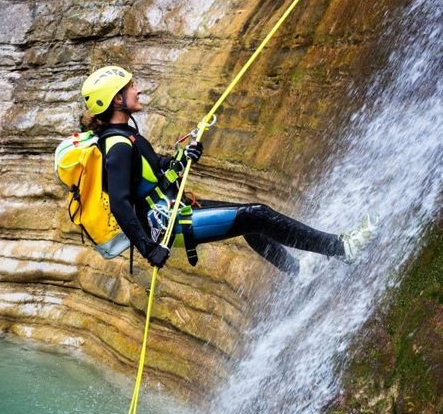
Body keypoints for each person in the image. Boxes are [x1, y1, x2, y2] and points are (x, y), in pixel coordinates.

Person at [80, 65, 374, 273]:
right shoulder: (117, 145)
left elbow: (153, 170)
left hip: (173, 209)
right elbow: (120, 202)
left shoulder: (123, 136)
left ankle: (297, 273)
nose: (138, 89)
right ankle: (341, 248)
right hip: (166, 224)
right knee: (256, 215)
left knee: (247, 220)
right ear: (117, 100)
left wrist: (181, 158)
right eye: (131, 87)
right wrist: (148, 249)